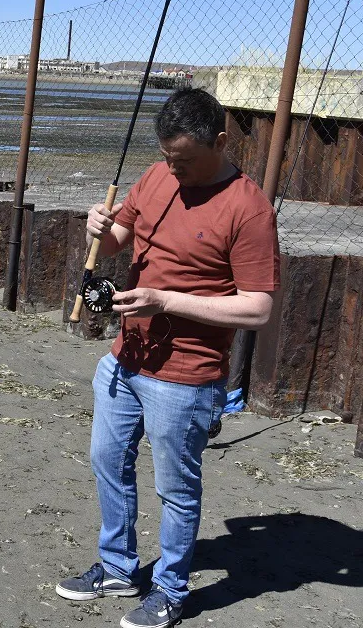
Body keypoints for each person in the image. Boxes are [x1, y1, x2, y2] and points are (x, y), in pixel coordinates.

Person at [55, 88, 280, 628]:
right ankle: (116, 567)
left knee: (175, 488)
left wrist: (165, 301)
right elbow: (117, 241)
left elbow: (258, 308)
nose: (172, 169)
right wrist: (99, 230)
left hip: (186, 376)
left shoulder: (249, 207)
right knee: (108, 462)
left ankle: (171, 590)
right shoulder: (158, 176)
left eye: (183, 159)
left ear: (220, 142)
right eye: (166, 157)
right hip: (124, 358)